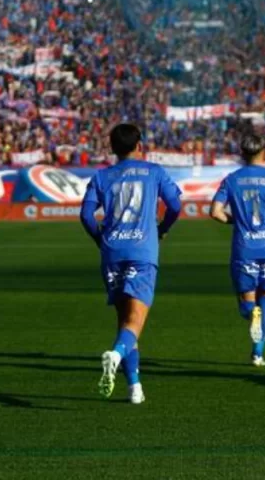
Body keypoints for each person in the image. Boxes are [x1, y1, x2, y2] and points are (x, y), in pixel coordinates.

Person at [80, 123, 182, 404]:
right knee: (135, 321)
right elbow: (175, 206)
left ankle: (135, 387)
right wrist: (162, 229)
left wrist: (101, 241)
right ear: (140, 145)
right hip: (142, 252)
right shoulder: (155, 172)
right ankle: (114, 355)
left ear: (112, 148)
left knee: (124, 320)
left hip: (112, 253)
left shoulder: (101, 177)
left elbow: (87, 215)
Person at [210, 134, 265, 366]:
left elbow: (215, 212)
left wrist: (234, 220)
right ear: (264, 153)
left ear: (242, 154)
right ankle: (258, 354)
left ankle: (251, 314)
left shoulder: (232, 179)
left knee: (246, 302)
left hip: (244, 247)